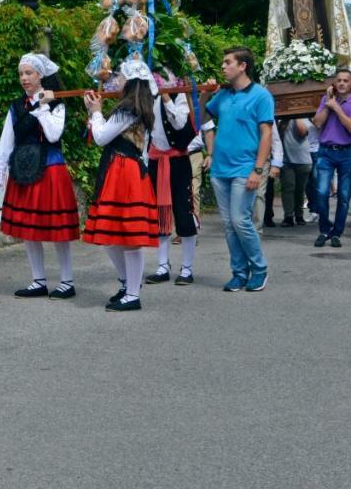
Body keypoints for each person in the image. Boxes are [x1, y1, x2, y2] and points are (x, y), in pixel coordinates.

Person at [0, 53, 81, 299]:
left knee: (57, 229)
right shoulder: (17, 106)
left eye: (29, 73)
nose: (24, 78)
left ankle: (67, 281)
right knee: (29, 229)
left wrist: (42, 106)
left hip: (50, 169)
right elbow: (7, 141)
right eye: (21, 74)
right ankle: (38, 280)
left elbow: (53, 135)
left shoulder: (56, 103)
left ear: (40, 75)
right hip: (23, 169)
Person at [82, 59, 163, 311]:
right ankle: (128, 285)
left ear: (129, 81)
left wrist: (95, 111)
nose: (117, 80)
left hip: (123, 170)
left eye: (121, 76)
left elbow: (101, 137)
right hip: (125, 168)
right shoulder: (139, 107)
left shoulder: (128, 108)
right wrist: (96, 118)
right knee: (113, 234)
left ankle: (132, 293)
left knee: (126, 235)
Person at [203, 46, 273, 293]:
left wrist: (257, 169)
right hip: (220, 169)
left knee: (240, 220)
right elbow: (200, 119)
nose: (223, 67)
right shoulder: (222, 95)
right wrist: (203, 95)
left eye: (227, 62)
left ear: (242, 65)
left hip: (245, 168)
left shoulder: (261, 96)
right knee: (230, 224)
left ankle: (259, 269)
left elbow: (266, 134)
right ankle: (239, 273)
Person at [144, 70, 200, 285]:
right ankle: (162, 265)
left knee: (184, 213)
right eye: (156, 75)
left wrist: (167, 96)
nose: (158, 80)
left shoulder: (179, 97)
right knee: (160, 214)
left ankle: (186, 268)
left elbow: (179, 123)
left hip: (178, 162)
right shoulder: (149, 98)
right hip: (156, 161)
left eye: (163, 76)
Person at [310, 68, 351, 247]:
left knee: (343, 194)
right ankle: (324, 229)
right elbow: (317, 123)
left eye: (345, 80)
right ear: (334, 83)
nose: (342, 83)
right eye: (339, 80)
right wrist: (329, 103)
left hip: (346, 152)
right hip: (325, 151)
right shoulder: (327, 100)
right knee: (321, 192)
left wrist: (337, 108)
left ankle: (337, 233)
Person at [279, 118, 314, 227]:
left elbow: (302, 132)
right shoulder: (284, 119)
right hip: (286, 160)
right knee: (288, 188)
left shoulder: (306, 119)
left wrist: (296, 115)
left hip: (303, 161)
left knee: (300, 189)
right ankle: (288, 216)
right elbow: (279, 134)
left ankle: (299, 215)